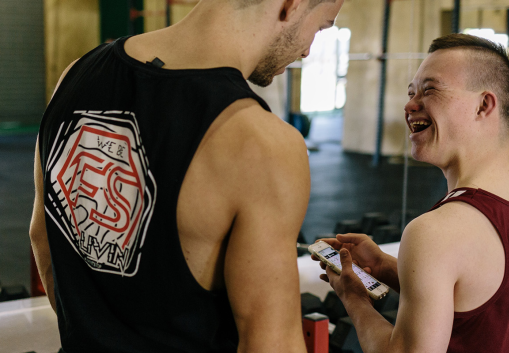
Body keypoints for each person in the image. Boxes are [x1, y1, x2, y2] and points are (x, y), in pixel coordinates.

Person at [29, 0, 343, 351]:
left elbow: (42, 238)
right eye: (320, 27)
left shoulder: (74, 76)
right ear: (292, 4)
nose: (307, 50)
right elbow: (272, 344)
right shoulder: (260, 143)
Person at [313, 34, 509, 352]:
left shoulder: (434, 233)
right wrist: (384, 266)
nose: (409, 105)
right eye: (411, 92)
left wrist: (353, 297)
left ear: (483, 105)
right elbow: (480, 302)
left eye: (429, 90)